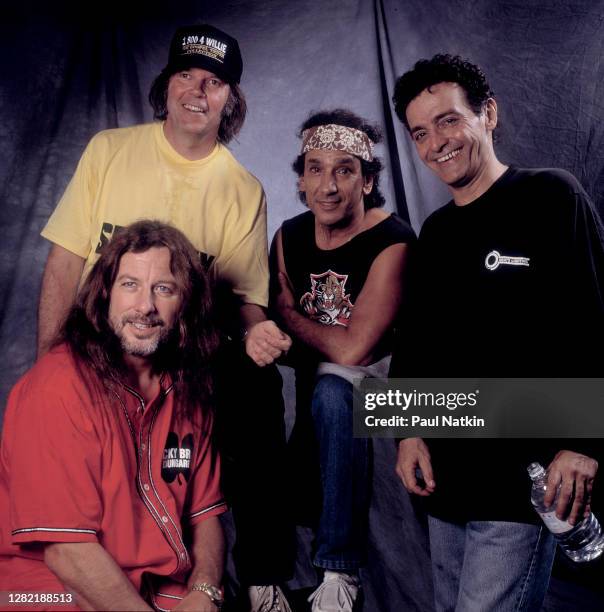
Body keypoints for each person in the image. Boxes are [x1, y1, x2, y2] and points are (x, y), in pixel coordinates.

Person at [36, 24, 293, 611]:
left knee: (256, 388)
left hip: (180, 354)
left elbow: (242, 296)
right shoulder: (110, 149)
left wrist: (257, 329)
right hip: (96, 346)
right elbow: (64, 260)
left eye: (214, 83)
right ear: (166, 84)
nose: (197, 92)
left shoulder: (241, 189)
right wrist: (49, 360)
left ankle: (261, 576)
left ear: (231, 99)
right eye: (186, 76)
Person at [391, 54, 604, 611]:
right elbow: (417, 341)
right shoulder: (434, 232)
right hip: (449, 479)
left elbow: (596, 320)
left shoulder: (553, 196)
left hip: (522, 481)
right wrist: (407, 433)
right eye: (419, 132)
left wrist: (582, 444)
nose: (436, 142)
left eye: (448, 120)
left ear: (488, 114)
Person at [0, 220, 226, 611]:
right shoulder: (58, 388)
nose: (145, 306)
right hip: (45, 585)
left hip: (147, 584)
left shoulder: (189, 391)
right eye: (130, 284)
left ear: (185, 303)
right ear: (104, 294)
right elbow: (66, 551)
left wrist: (204, 590)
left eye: (164, 288)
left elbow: (206, 515)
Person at [271, 109, 414, 612]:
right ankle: (263, 577)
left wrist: (290, 312)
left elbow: (356, 350)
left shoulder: (393, 241)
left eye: (344, 170)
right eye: (315, 168)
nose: (327, 186)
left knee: (334, 385)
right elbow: (274, 328)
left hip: (393, 393)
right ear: (301, 178)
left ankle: (339, 573)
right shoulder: (289, 236)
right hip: (319, 385)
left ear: (368, 179)